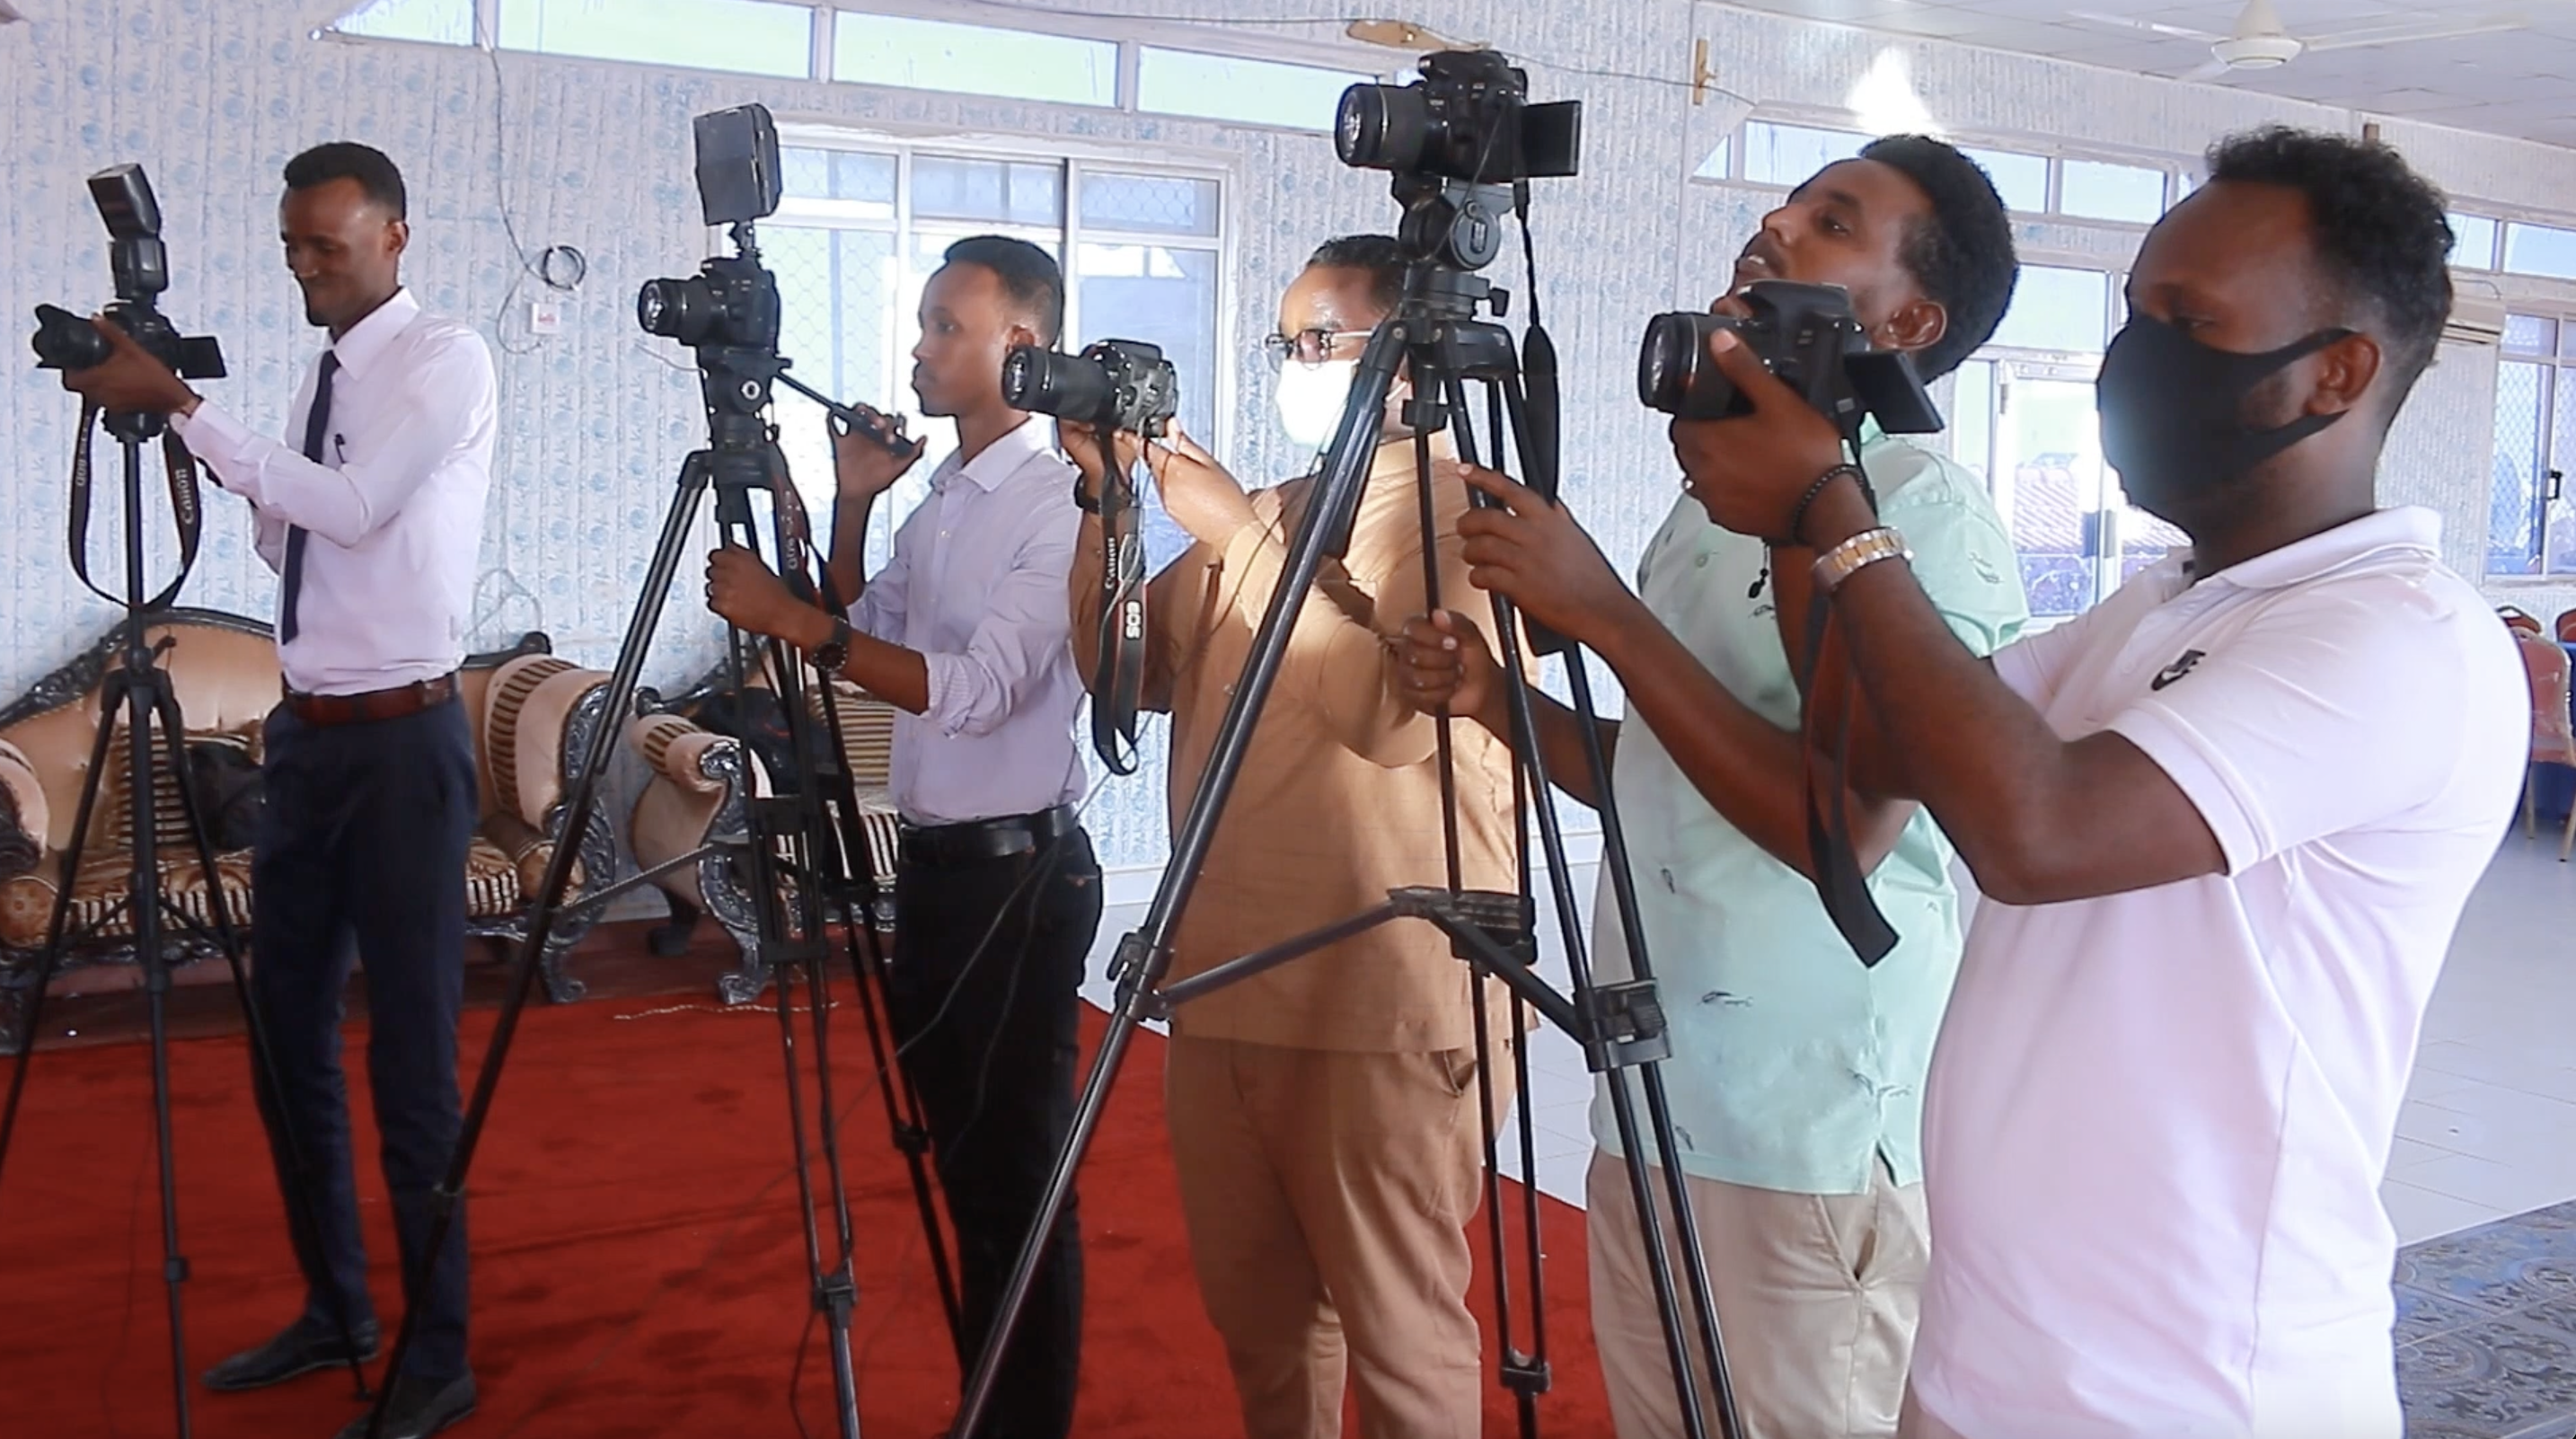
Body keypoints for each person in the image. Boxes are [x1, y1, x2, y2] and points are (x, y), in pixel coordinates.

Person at [1498, 126, 2526, 1438]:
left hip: (2196, 1385)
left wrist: (1830, 508)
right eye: (2134, 310)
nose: (2133, 355)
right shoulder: (2153, 611)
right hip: (2003, 1357)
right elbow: (1872, 751)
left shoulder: (2399, 638)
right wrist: (1807, 500)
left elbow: (2031, 830)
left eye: (2185, 318)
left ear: (2337, 372)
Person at [1394, 137, 2025, 1439]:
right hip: (1656, 1083)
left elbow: (1842, 825)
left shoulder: (1925, 515)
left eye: (1834, 221)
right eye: (1789, 200)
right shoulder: (1717, 496)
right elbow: (1663, 768)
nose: (1777, 224)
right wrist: (1504, 705)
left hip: (1801, 1124)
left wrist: (1607, 615)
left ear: (1909, 320)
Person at [61, 141, 493, 1439]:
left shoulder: (445, 359)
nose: (306, 266)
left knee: (412, 1062)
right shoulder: (322, 375)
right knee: (283, 1029)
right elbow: (284, 532)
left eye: (330, 245)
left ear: (396, 238)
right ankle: (338, 1306)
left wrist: (188, 408)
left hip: (409, 748)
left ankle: (439, 1347)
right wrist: (190, 434)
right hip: (306, 743)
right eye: (293, 244)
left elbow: (352, 508)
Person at [1057, 234, 1520, 1439]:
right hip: (1223, 984)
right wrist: (1109, 503)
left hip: (1381, 1003)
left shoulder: (1467, 517)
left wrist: (1234, 536)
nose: (1292, 364)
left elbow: (1387, 714)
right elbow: (1123, 670)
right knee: (1266, 1341)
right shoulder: (1272, 508)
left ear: (1408, 364)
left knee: (1401, 1348)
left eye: (1318, 340)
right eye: (1284, 342)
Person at [703, 234, 1100, 1439]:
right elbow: (849, 631)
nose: (920, 349)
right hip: (935, 872)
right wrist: (855, 501)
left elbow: (971, 688)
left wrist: (788, 618)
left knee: (1016, 1180)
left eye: (945, 327)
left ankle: (1023, 1416)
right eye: (924, 323)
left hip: (1017, 879)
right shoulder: (946, 496)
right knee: (962, 1167)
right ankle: (989, 1401)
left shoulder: (1059, 498)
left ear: (1017, 347)